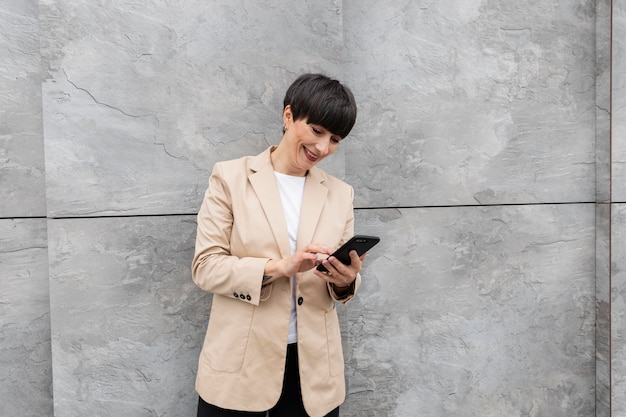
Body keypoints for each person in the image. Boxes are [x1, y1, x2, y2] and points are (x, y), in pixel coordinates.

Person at [192, 73, 365, 417]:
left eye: (334, 139)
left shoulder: (341, 194)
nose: (322, 148)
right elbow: (205, 268)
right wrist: (279, 267)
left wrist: (346, 280)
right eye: (316, 131)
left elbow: (343, 284)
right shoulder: (230, 178)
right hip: (240, 364)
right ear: (288, 116)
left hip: (312, 369)